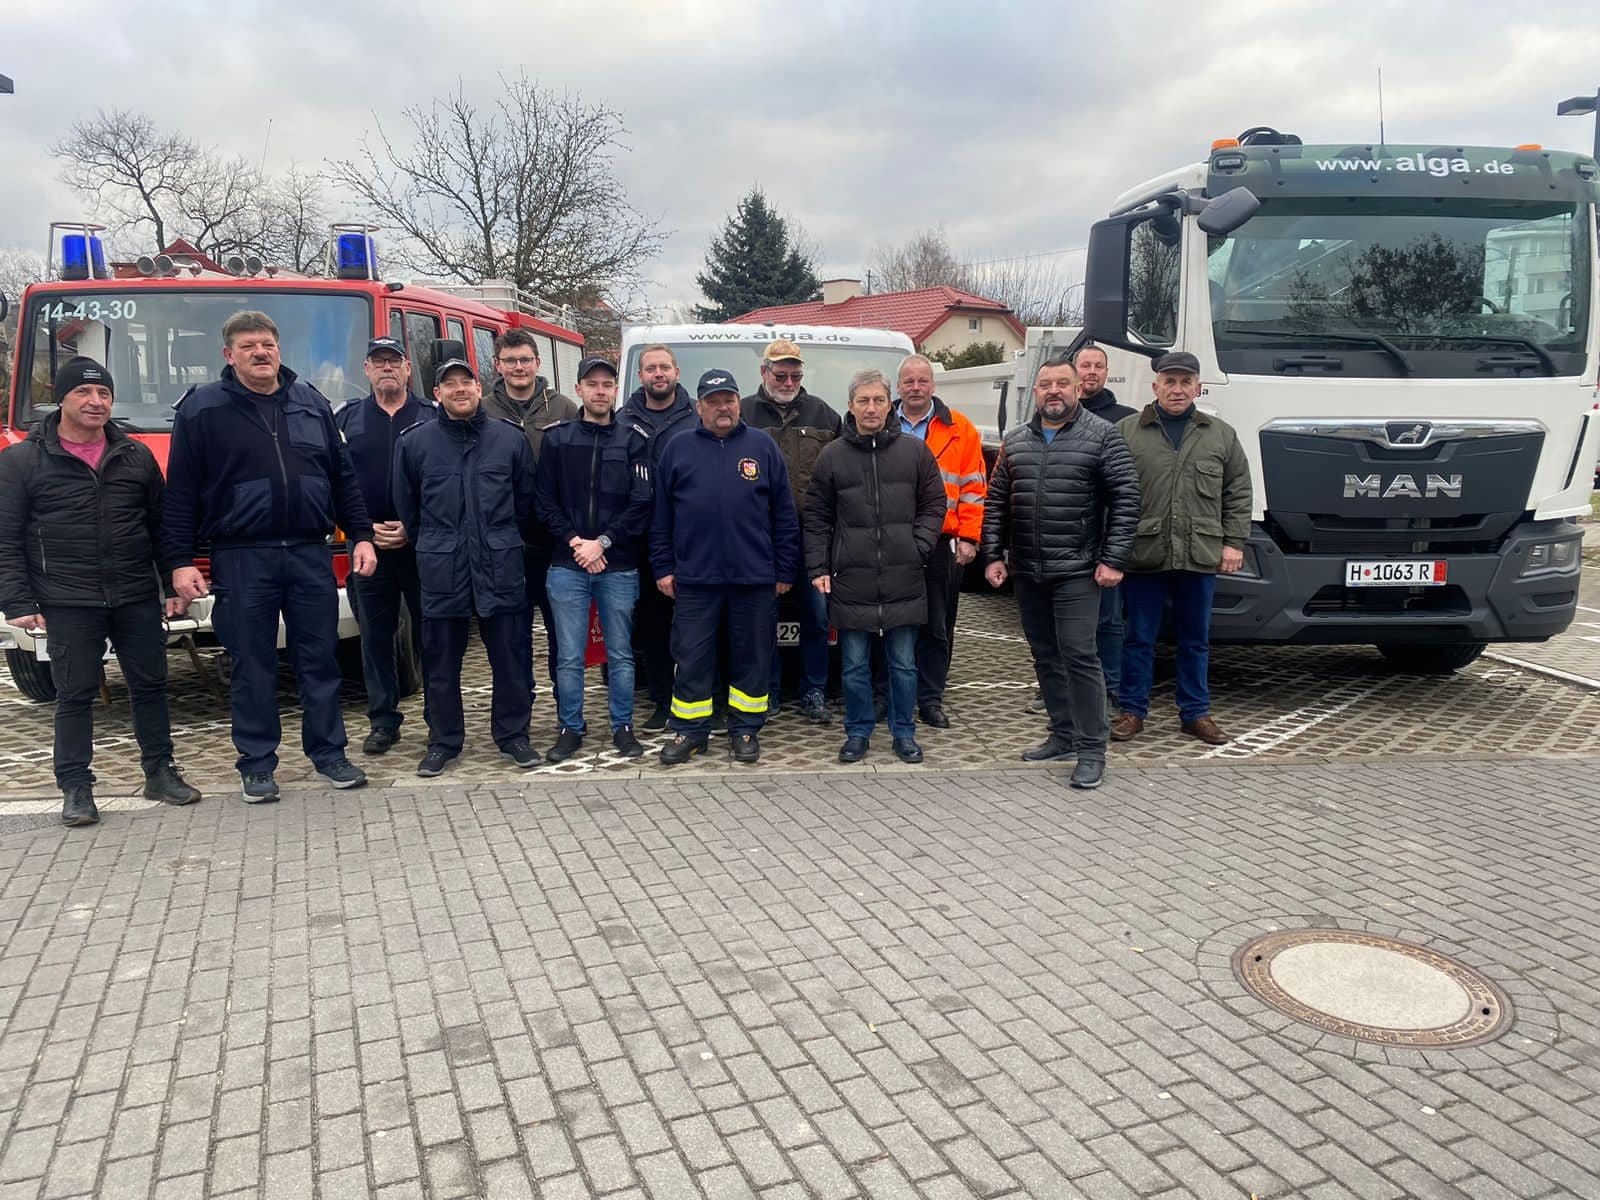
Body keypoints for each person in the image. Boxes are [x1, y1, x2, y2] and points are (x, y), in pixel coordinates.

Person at [165, 312, 376, 802]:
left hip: (308, 552)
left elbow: (342, 477)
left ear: (279, 349)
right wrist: (179, 560)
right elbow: (180, 493)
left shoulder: (311, 403)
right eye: (248, 346)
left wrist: (362, 535)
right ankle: (257, 764)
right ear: (229, 355)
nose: (260, 353)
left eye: (267, 344)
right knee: (252, 664)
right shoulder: (202, 410)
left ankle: (330, 754)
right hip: (243, 557)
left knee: (319, 660)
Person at [0, 357, 201, 826]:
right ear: (61, 399)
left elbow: (161, 527)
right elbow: (6, 537)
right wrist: (17, 600)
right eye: (84, 393)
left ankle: (160, 772)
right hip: (68, 597)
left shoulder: (135, 455)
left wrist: (171, 580)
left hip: (134, 593)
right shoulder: (22, 460)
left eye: (104, 394)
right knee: (75, 693)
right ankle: (76, 787)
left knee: (150, 685)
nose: (96, 402)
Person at [981, 354, 1140, 790]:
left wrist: (1114, 559)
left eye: (1062, 383)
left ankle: (1092, 749)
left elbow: (1127, 499)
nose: (1054, 391)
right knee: (1045, 656)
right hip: (1028, 570)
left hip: (1078, 570)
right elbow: (996, 503)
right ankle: (1063, 734)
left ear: (1077, 389)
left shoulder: (1103, 436)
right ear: (1035, 392)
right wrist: (992, 556)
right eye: (1046, 384)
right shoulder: (1015, 441)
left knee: (1079, 655)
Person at [395, 348, 541, 777]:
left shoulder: (509, 440)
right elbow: (408, 510)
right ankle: (443, 741)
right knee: (440, 664)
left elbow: (525, 504)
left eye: (466, 382)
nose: (459, 389)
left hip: (500, 563)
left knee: (511, 659)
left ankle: (513, 736)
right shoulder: (414, 443)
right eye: (450, 384)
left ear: (479, 387)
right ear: (436, 393)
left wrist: (502, 540)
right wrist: (437, 545)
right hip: (443, 568)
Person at [650, 370, 799, 766]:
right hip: (695, 579)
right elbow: (661, 516)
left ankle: (745, 728)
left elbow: (784, 514)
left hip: (754, 578)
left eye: (729, 400)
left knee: (752, 657)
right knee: (692, 657)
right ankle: (691, 731)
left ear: (738, 403)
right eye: (714, 402)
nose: (723, 408)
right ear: (699, 407)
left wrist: (785, 570)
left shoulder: (762, 446)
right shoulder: (678, 448)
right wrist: (663, 567)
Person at [804, 369, 945, 764]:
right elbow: (816, 518)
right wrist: (819, 567)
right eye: (863, 401)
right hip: (852, 578)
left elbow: (935, 503)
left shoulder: (915, 452)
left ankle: (904, 732)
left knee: (903, 665)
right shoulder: (832, 456)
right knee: (853, 666)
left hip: (904, 576)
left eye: (878, 400)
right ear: (850, 406)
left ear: (889, 404)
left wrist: (918, 546)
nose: (871, 408)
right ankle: (858, 732)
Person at [1112, 350, 1252, 746]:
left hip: (1199, 553)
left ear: (1197, 387)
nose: (1177, 389)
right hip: (1144, 552)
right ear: (1155, 386)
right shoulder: (1126, 432)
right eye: (1169, 382)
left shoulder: (1220, 434)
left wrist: (1233, 542)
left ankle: (1195, 714)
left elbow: (1238, 491)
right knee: (1138, 638)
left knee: (1195, 640)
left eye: (1185, 382)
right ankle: (1132, 711)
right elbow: (1109, 493)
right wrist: (1112, 549)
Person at [533, 356, 653, 762]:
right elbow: (544, 501)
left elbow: (641, 503)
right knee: (568, 656)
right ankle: (570, 728)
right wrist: (576, 543)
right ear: (579, 389)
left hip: (617, 565)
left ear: (615, 390)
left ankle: (622, 726)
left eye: (607, 384)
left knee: (620, 654)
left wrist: (602, 543)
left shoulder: (634, 439)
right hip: (567, 564)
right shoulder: (557, 439)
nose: (600, 391)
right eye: (592, 384)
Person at [334, 336, 432, 756]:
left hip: (422, 546)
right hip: (367, 547)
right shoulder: (346, 419)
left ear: (408, 368)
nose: (387, 368)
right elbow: (333, 482)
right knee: (374, 638)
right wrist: (360, 530)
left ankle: (439, 718)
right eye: (379, 362)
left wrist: (413, 526)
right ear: (367, 369)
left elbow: (445, 481)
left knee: (433, 635)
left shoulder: (431, 415)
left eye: (394, 361)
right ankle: (383, 721)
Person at [740, 340, 840, 723]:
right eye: (780, 375)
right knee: (762, 619)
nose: (788, 382)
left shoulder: (825, 416)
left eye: (795, 375)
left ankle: (813, 690)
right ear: (763, 372)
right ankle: (767, 690)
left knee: (817, 617)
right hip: (759, 539)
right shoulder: (742, 413)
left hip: (812, 538)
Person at [482, 329, 578, 715]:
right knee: (513, 638)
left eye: (525, 360)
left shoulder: (564, 409)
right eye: (510, 360)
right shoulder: (483, 411)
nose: (518, 367)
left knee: (563, 635)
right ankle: (518, 715)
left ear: (538, 363)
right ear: (497, 365)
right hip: (505, 544)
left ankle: (567, 713)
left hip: (556, 544)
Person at [894, 354, 987, 728]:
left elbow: (975, 488)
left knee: (936, 625)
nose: (916, 388)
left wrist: (970, 538)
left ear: (933, 385)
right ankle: (890, 694)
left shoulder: (960, 428)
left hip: (941, 541)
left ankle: (930, 698)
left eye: (923, 381)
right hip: (892, 540)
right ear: (899, 386)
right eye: (909, 381)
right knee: (891, 622)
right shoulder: (882, 422)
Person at [619, 345, 698, 730]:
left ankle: (700, 698)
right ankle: (663, 701)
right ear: (640, 376)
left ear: (677, 372)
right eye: (651, 368)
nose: (658, 374)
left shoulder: (696, 416)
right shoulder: (623, 419)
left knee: (696, 627)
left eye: (664, 367)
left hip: (692, 538)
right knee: (652, 627)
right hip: (640, 540)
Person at [1075, 343, 1138, 706]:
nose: (1091, 372)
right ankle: (1056, 686)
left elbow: (1130, 485)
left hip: (1107, 536)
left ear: (1106, 372)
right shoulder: (1057, 416)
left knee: (1109, 619)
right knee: (1064, 620)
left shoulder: (1126, 420)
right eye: (1085, 365)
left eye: (1098, 366)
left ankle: (1110, 685)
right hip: (1066, 537)